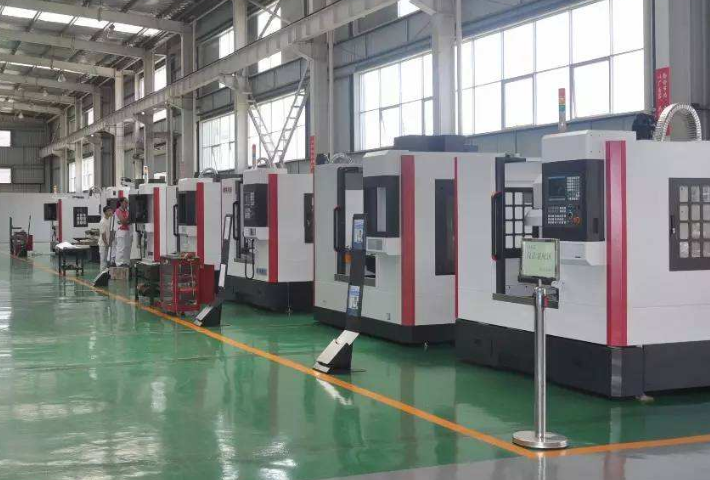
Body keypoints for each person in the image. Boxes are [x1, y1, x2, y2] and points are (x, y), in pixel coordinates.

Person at [114, 198, 132, 266]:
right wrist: (128, 218)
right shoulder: (118, 211)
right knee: (120, 248)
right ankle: (119, 263)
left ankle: (126, 262)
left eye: (127, 202)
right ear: (121, 203)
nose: (127, 204)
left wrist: (126, 220)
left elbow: (129, 221)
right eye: (125, 202)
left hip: (127, 230)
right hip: (120, 231)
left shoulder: (127, 211)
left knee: (127, 248)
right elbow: (123, 221)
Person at [98, 206, 114, 270]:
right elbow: (103, 235)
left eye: (111, 210)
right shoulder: (102, 221)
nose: (110, 212)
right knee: (103, 260)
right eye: (109, 211)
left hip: (109, 243)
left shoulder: (110, 220)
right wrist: (106, 244)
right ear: (105, 212)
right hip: (103, 244)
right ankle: (102, 273)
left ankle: (107, 273)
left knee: (108, 261)